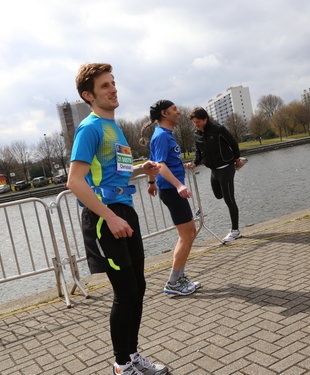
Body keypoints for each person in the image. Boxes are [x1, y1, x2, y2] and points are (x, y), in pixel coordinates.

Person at [67, 63, 168, 375]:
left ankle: (133, 355)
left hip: (125, 211)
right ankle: (121, 365)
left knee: (137, 287)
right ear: (89, 95)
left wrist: (141, 170)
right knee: (125, 293)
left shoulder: (115, 127)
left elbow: (116, 172)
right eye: (104, 86)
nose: (113, 89)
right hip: (104, 217)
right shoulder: (91, 128)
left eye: (113, 83)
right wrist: (109, 217)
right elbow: (75, 181)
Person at [139, 100, 200, 296]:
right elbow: (161, 165)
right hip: (172, 191)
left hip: (170, 189)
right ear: (165, 113)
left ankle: (178, 277)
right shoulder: (161, 136)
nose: (179, 112)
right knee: (187, 235)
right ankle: (174, 282)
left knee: (189, 233)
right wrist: (179, 185)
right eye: (175, 110)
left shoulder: (164, 135)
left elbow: (152, 163)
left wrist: (150, 183)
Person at [185, 107, 245, 242]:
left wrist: (236, 159)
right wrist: (194, 162)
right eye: (194, 122)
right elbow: (199, 152)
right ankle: (228, 188)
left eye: (198, 122)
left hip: (226, 167)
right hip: (214, 170)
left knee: (229, 199)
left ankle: (235, 231)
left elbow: (233, 143)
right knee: (219, 195)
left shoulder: (218, 129)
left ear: (205, 119)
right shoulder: (197, 134)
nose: (196, 125)